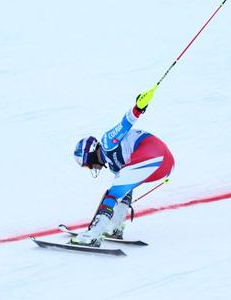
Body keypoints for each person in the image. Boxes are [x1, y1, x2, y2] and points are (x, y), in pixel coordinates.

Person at [71, 86, 175, 247]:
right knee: (122, 189)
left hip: (155, 156)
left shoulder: (107, 142)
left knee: (114, 192)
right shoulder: (115, 166)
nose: (91, 168)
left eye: (86, 164)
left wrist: (138, 108)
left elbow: (125, 124)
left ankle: (92, 235)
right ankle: (115, 228)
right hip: (164, 166)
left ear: (90, 154)